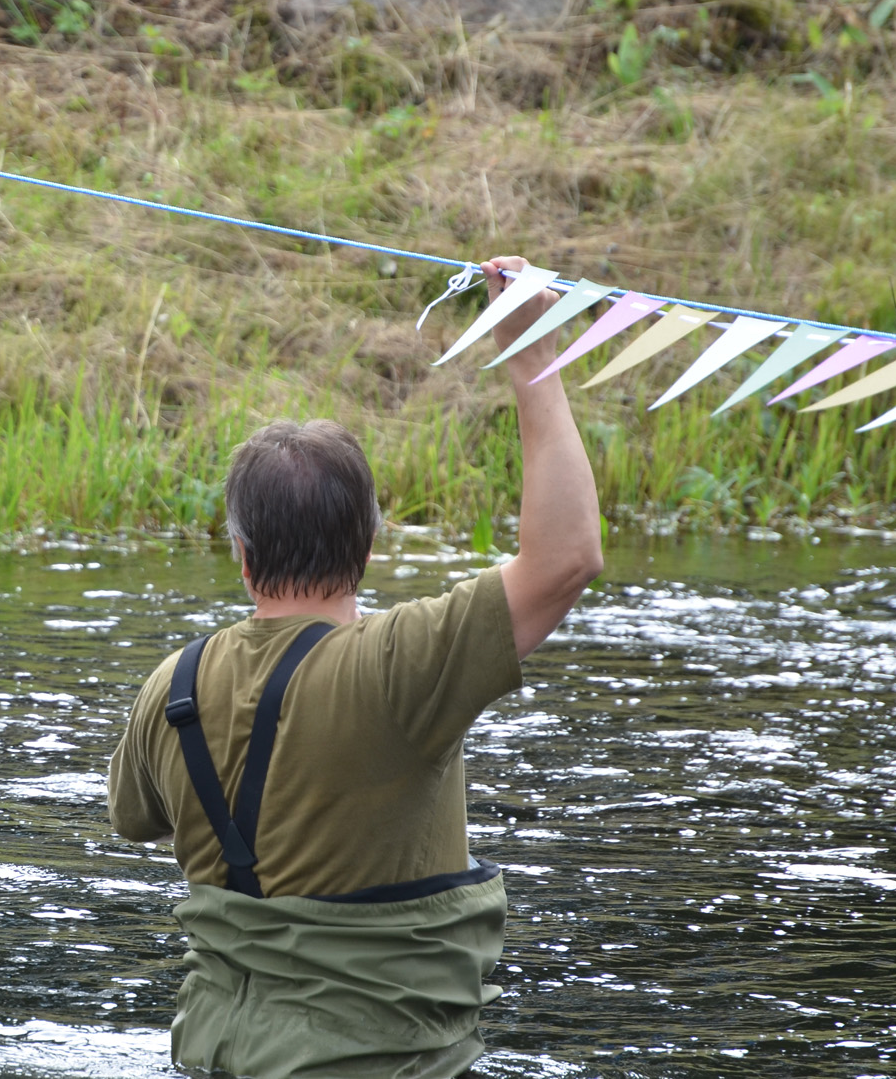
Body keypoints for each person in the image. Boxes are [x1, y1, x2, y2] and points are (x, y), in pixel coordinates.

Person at [107, 256, 604, 1079]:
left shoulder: (172, 684)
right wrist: (531, 352)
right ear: (369, 545)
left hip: (208, 1057)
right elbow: (566, 559)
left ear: (240, 552)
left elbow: (134, 818)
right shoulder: (399, 667)